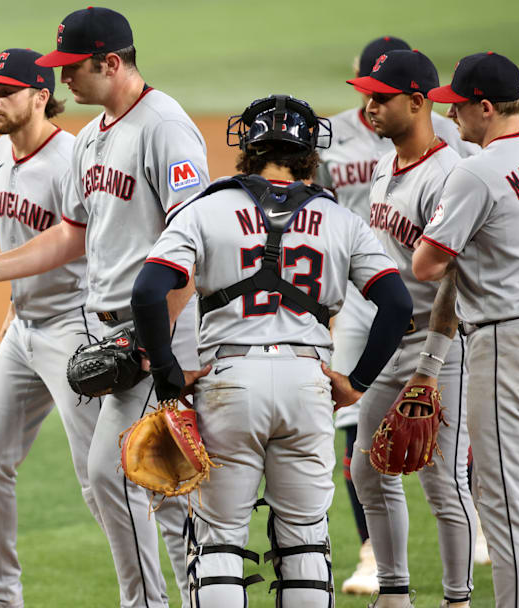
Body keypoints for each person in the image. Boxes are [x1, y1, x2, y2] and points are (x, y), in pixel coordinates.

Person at [0, 8, 210, 606]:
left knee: (141, 479)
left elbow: (194, 241)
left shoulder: (165, 127)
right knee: (139, 476)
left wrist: (155, 340)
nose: (63, 80)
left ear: (110, 63)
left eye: (72, 68)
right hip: (109, 331)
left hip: (151, 331)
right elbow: (72, 234)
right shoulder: (93, 137)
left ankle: (176, 598)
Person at [130, 94, 411, 608]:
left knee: (218, 539)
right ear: (309, 152)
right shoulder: (341, 220)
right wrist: (356, 382)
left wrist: (169, 375)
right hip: (308, 383)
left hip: (228, 383)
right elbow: (396, 303)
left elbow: (148, 292)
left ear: (249, 147)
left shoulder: (206, 208)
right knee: (304, 538)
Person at [315, 36, 483, 596]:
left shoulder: (451, 174)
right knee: (368, 469)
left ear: (418, 102)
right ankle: (395, 589)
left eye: (382, 97)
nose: (369, 107)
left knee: (443, 481)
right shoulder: (389, 165)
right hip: (388, 338)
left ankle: (457, 597)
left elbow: (457, 280)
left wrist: (431, 367)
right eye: (366, 95)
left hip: (438, 344)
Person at [413, 51, 519, 608]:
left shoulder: (477, 170)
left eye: (458, 108)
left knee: (501, 509)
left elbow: (426, 265)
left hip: (508, 347)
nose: (451, 117)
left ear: (484, 107)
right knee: (507, 498)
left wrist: (454, 236)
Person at [0, 48, 104, 608]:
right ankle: (1, 597)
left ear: (41, 95)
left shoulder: (73, 159)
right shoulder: (0, 151)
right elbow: (18, 237)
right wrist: (12, 305)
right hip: (24, 330)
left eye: (6, 91)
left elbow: (83, 244)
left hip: (75, 329)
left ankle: (157, 591)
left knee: (102, 480)